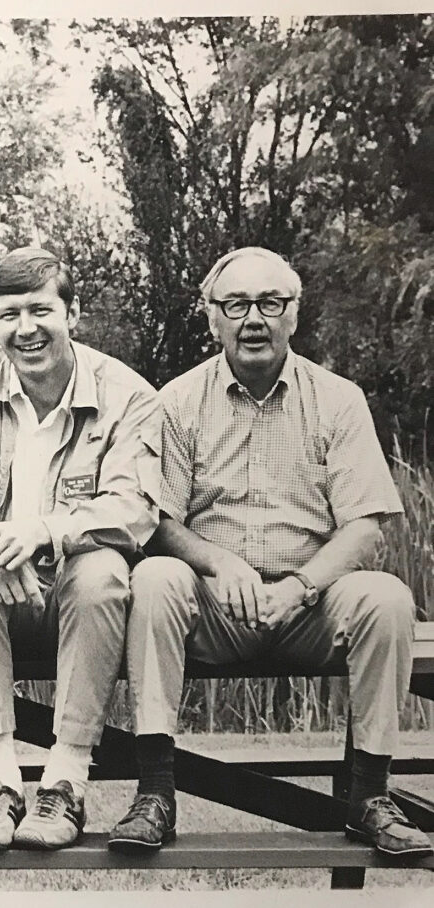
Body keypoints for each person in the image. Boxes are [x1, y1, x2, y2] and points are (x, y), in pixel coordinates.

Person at [110, 247, 432, 859]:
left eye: (270, 303)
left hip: (313, 603)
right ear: (211, 318)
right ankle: (155, 794)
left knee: (388, 597)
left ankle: (369, 797)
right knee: (153, 579)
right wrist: (218, 562)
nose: (253, 318)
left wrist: (303, 586)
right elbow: (157, 522)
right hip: (216, 605)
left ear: (294, 314)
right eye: (235, 305)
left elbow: (365, 528)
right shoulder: (176, 402)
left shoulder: (338, 399)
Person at [0, 247, 161, 851]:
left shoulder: (127, 392)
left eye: (41, 310)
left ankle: (66, 784)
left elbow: (135, 509)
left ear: (72, 313)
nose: (26, 329)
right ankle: (0, 785)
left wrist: (40, 532)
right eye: (9, 315)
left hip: (81, 597)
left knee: (103, 569)